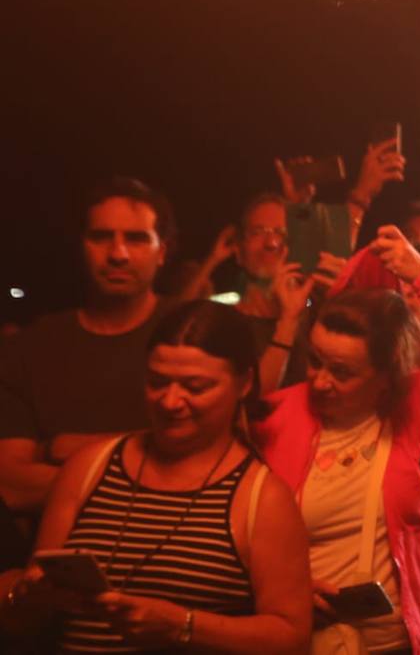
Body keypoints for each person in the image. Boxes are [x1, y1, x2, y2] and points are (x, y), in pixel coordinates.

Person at [0, 300, 313, 652]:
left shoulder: (261, 498)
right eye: (157, 382)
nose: (170, 401)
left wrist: (183, 626)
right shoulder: (89, 468)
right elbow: (26, 615)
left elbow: (292, 637)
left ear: (244, 384)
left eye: (195, 387)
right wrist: (24, 597)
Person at [254, 289, 420, 653]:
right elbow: (239, 405)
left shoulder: (410, 405)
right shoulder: (285, 411)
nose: (320, 380)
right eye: (314, 361)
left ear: (387, 376)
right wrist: (288, 591)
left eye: (341, 372)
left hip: (404, 643)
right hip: (305, 641)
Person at [0, 178, 176, 520]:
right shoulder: (31, 347)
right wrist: (148, 460)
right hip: (56, 561)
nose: (118, 254)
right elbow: (12, 485)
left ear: (162, 252)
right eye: (101, 237)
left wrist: (63, 449)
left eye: (136, 239)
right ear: (82, 245)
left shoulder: (191, 335)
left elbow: (210, 465)